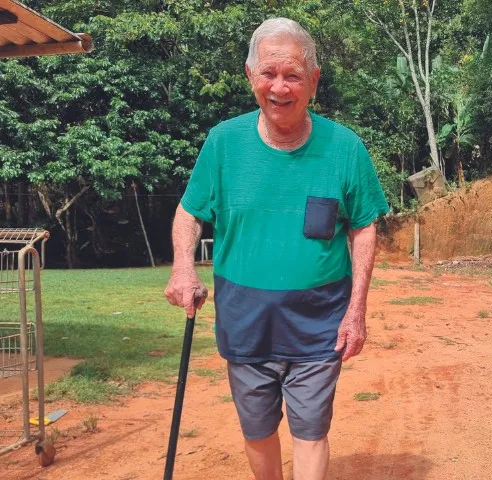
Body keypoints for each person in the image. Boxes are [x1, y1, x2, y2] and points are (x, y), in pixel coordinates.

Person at [163, 17, 389, 480]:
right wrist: (183, 268)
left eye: (293, 76)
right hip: (244, 317)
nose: (279, 87)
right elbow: (190, 212)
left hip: (319, 320)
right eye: (268, 74)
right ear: (250, 76)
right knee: (257, 429)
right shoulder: (224, 142)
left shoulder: (345, 148)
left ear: (314, 82)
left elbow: (364, 227)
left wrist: (357, 309)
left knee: (310, 430)